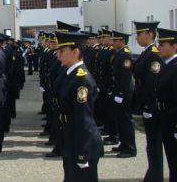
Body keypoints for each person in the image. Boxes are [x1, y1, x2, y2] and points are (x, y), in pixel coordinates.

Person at [55, 31, 103, 182]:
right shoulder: (71, 74)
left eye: (62, 51)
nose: (58, 55)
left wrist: (82, 153)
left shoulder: (81, 79)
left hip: (82, 143)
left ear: (75, 52)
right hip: (72, 138)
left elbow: (84, 118)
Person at [133, 21, 163, 182]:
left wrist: (149, 108)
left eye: (139, 34)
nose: (137, 37)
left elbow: (152, 84)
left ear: (150, 34)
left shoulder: (153, 55)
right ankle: (153, 174)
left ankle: (155, 176)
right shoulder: (146, 53)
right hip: (145, 105)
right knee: (151, 145)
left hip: (151, 108)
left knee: (154, 145)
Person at [110, 30, 137, 158]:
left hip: (124, 92)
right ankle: (123, 144)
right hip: (118, 90)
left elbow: (126, 77)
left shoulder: (126, 55)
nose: (113, 42)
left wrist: (120, 93)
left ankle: (130, 148)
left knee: (126, 120)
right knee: (120, 119)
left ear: (122, 41)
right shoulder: (119, 53)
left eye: (115, 40)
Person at [156, 28, 177, 182]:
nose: (159, 47)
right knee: (171, 159)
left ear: (174, 46)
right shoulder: (166, 65)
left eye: (163, 44)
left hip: (173, 120)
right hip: (165, 117)